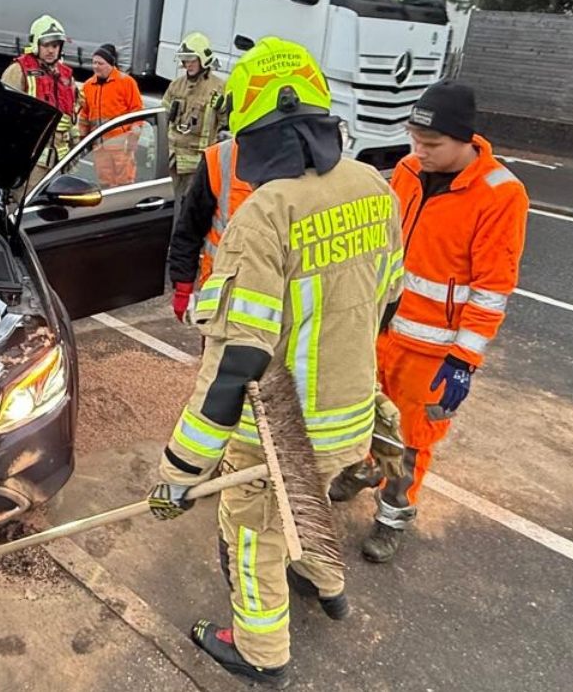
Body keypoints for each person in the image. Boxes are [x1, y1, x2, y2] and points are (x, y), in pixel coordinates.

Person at [147, 37, 404, 688]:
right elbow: (388, 298)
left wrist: (179, 468)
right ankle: (328, 584)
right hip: (347, 410)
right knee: (310, 498)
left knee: (251, 534)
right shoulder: (373, 186)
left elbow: (237, 358)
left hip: (277, 427)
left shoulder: (266, 211)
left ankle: (260, 653)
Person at [336, 81, 529, 563]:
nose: (418, 151)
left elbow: (491, 288)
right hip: (381, 329)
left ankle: (392, 515)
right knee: (366, 410)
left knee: (412, 441)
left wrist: (462, 360)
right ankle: (366, 466)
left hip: (432, 350)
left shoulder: (500, 194)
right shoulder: (405, 170)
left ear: (465, 139)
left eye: (431, 144)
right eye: (414, 138)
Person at [166, 136, 253, 323]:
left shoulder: (310, 160)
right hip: (221, 297)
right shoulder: (221, 157)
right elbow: (190, 227)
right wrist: (183, 288)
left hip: (274, 305)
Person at [1, 15, 79, 188]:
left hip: (60, 163)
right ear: (36, 44)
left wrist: (76, 151)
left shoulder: (66, 76)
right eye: (46, 45)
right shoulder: (18, 71)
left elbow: (73, 117)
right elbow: (4, 115)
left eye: (55, 45)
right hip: (30, 163)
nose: (51, 50)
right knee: (25, 208)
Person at [162, 32, 227, 206]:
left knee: (191, 209)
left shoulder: (219, 87)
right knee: (168, 208)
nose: (187, 65)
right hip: (173, 161)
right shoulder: (176, 85)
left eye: (192, 60)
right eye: (185, 60)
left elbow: (227, 124)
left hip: (198, 163)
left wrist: (223, 107)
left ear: (203, 60)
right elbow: (162, 119)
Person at [77, 43, 143, 187]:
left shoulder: (126, 82)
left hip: (122, 147)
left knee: (124, 185)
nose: (95, 66)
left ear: (111, 65)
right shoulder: (88, 86)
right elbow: (84, 115)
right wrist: (82, 140)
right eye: (94, 62)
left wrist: (133, 139)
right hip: (100, 147)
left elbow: (137, 111)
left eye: (100, 63)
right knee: (105, 184)